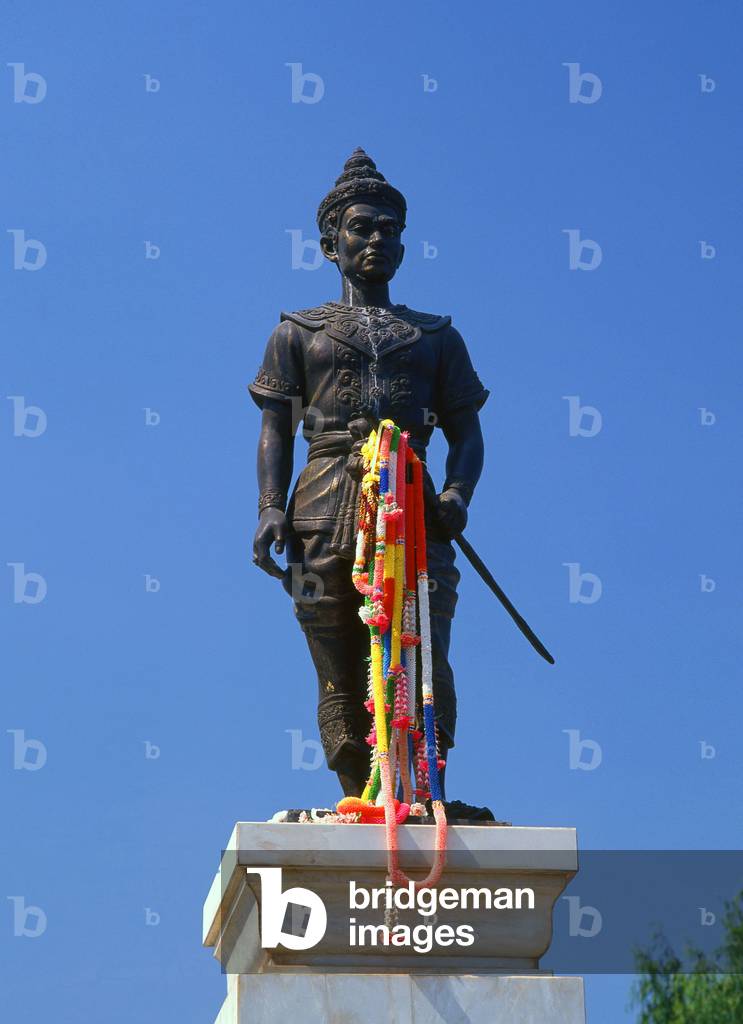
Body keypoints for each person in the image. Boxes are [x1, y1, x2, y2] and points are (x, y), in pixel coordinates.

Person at [250, 149, 488, 805]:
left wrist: (456, 494)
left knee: (422, 648)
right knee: (338, 660)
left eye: (390, 229)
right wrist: (269, 506)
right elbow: (275, 427)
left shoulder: (436, 337)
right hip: (323, 504)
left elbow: (467, 432)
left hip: (413, 507)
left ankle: (424, 793)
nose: (378, 239)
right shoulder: (297, 333)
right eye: (362, 227)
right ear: (331, 243)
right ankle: (358, 792)